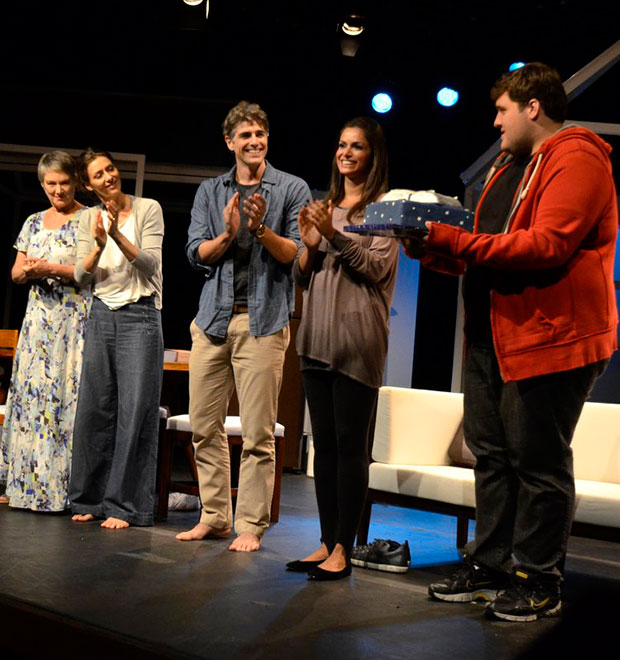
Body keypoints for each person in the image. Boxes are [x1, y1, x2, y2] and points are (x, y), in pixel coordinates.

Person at [402, 63, 617, 621]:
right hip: (492, 336)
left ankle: (538, 577)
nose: (495, 121)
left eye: (501, 109)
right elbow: (488, 251)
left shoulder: (578, 155)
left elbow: (544, 247)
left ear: (533, 107)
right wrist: (430, 249)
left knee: (538, 463)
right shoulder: (507, 166)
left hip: (550, 337)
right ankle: (491, 564)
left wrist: (450, 238)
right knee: (492, 458)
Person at [177, 101, 311, 552]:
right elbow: (196, 253)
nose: (255, 141)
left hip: (263, 321)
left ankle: (250, 524)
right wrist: (230, 234)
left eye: (261, 134)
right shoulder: (211, 191)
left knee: (257, 433)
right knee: (204, 427)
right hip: (213, 319)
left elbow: (296, 255)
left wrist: (260, 231)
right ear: (230, 141)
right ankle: (215, 516)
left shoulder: (291, 188)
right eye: (246, 135)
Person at [287, 117, 399, 580]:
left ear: (373, 155)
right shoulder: (325, 205)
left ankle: (344, 550)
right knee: (326, 449)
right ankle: (325, 540)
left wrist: (333, 236)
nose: (346, 153)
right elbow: (299, 274)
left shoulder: (383, 210)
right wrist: (310, 246)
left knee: (352, 450)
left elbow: (375, 268)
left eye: (356, 146)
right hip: (316, 337)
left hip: (356, 342)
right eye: (341, 145)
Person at [69, 149, 165, 529]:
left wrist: (117, 236)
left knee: (135, 412)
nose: (108, 177)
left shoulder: (148, 208)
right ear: (88, 185)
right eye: (98, 175)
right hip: (101, 315)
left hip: (140, 315)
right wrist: (97, 244)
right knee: (94, 410)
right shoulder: (87, 219)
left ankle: (124, 506)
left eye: (109, 169)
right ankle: (89, 499)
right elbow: (80, 275)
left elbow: (150, 263)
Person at [0, 151, 91, 511]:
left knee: (67, 399)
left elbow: (90, 271)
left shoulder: (88, 218)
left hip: (74, 323)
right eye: (51, 184)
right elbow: (16, 273)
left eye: (64, 182)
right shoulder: (34, 222)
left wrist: (50, 267)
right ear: (42, 185)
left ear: (75, 182)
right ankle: (26, 484)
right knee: (34, 399)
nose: (58, 190)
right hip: (38, 323)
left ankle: (66, 490)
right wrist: (31, 271)